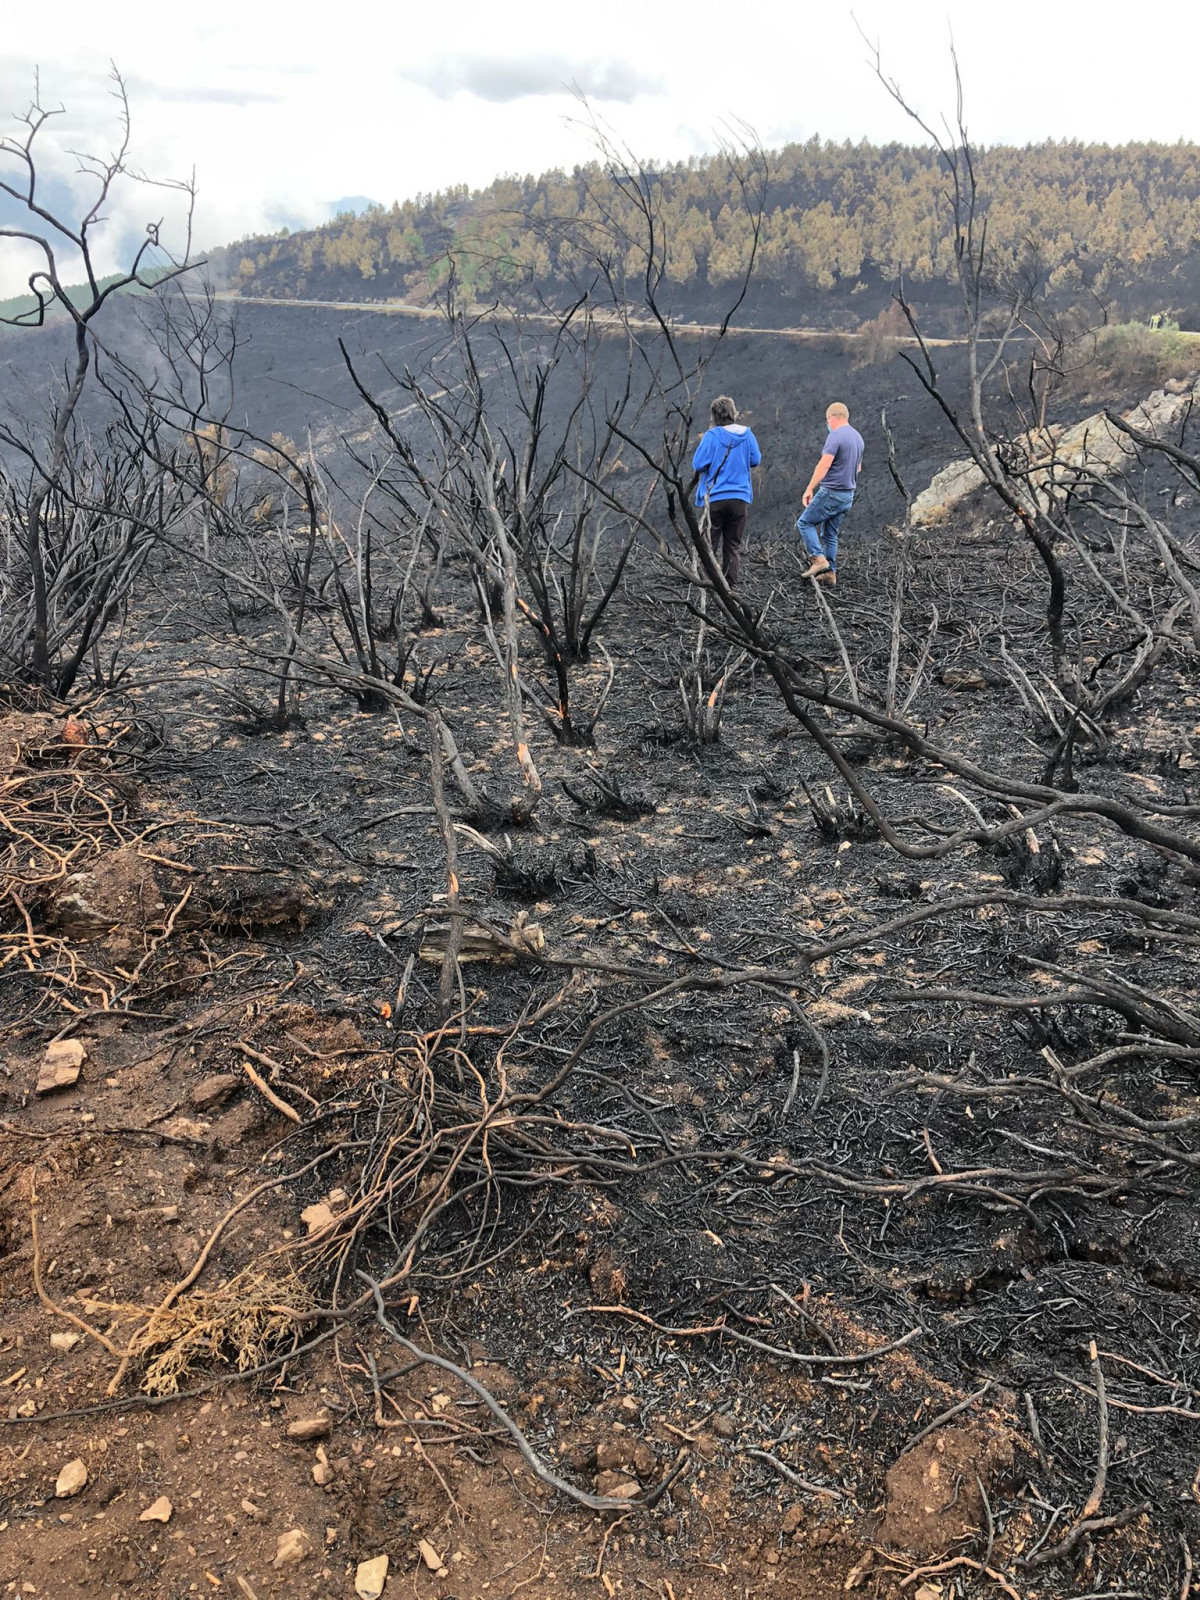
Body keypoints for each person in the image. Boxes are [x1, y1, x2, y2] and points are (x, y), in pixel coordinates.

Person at [692, 395, 762, 585]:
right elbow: (755, 459)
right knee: (732, 545)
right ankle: (729, 586)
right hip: (739, 498)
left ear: (714, 416)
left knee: (709, 544)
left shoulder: (711, 436)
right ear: (733, 413)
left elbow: (698, 464)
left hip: (715, 497)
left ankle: (709, 582)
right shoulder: (747, 434)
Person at [796, 402, 864, 586]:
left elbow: (824, 464)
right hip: (848, 495)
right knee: (830, 534)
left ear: (832, 417)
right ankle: (830, 574)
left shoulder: (836, 436)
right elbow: (858, 468)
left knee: (804, 522)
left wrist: (810, 488)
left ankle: (818, 560)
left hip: (832, 492)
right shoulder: (858, 438)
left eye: (827, 420)